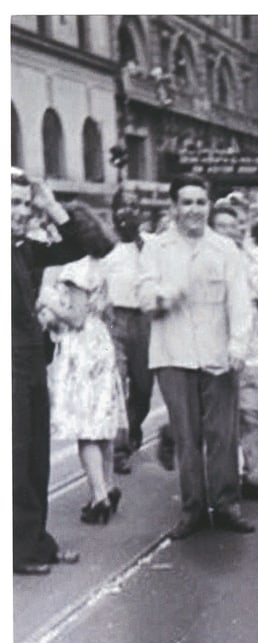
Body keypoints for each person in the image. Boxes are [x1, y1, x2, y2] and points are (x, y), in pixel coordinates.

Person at [138, 175, 254, 540]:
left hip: (218, 353)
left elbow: (240, 302)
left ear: (209, 205)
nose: (194, 210)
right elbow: (144, 298)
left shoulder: (224, 248)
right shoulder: (156, 248)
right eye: (186, 202)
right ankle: (192, 510)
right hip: (173, 354)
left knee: (223, 433)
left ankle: (226, 505)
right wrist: (167, 294)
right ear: (174, 207)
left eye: (200, 202)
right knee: (187, 436)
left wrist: (238, 346)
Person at [12, 171, 112, 575]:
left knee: (36, 458)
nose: (22, 212)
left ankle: (36, 541)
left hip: (32, 362)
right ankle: (19, 549)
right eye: (13, 203)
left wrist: (50, 204)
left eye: (25, 204)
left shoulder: (23, 249)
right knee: (15, 459)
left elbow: (79, 245)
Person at [39, 258, 126, 524]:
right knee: (102, 424)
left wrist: (47, 302)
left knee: (85, 428)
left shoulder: (75, 271)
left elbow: (76, 318)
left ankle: (99, 497)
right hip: (99, 342)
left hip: (82, 349)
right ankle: (108, 485)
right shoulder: (98, 265)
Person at [210, 202, 258, 503]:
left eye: (237, 224)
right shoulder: (205, 259)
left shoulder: (256, 259)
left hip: (252, 344)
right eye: (223, 226)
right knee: (222, 415)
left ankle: (256, 477)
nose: (232, 230)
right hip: (215, 341)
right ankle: (225, 480)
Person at [100, 185, 154, 477]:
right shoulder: (104, 245)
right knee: (118, 387)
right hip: (114, 320)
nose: (128, 211)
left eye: (134, 206)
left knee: (143, 389)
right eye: (123, 205)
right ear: (114, 211)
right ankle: (119, 450)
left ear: (141, 212)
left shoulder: (151, 245)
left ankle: (133, 430)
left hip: (145, 321)